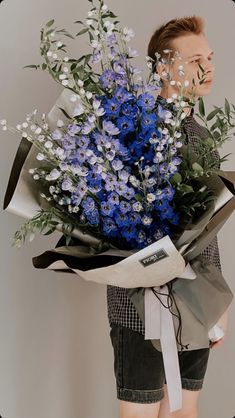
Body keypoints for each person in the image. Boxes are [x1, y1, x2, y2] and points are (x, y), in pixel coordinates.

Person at [107, 15, 228, 418]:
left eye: (209, 57)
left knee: (184, 411)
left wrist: (218, 303)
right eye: (196, 60)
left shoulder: (202, 133)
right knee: (140, 411)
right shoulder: (133, 129)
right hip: (140, 304)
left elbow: (207, 230)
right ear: (163, 68)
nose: (208, 67)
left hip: (195, 303)